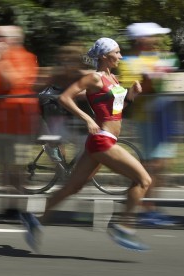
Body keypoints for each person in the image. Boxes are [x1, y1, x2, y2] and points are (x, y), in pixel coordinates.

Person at [21, 38, 152, 252]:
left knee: (73, 186)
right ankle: (124, 226)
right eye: (117, 52)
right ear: (104, 56)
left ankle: (35, 219)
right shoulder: (94, 78)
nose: (120, 56)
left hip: (103, 140)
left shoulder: (113, 80)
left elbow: (116, 111)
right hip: (102, 140)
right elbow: (65, 98)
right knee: (144, 179)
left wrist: (131, 97)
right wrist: (88, 119)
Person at [0, 25, 41, 217]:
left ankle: (20, 206)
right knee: (3, 165)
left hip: (19, 121)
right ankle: (8, 206)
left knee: (17, 166)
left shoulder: (26, 57)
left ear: (12, 39)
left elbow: (13, 81)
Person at [120, 22, 180, 226]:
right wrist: (149, 79)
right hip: (148, 118)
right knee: (152, 166)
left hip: (166, 116)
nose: (156, 40)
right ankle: (145, 209)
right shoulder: (128, 62)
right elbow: (132, 92)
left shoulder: (161, 57)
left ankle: (149, 206)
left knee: (161, 165)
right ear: (140, 39)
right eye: (152, 36)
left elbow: (170, 77)